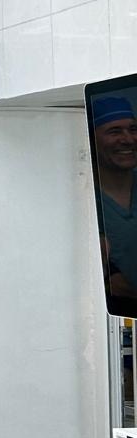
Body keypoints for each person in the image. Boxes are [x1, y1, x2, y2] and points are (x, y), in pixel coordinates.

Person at [92, 96, 137, 298]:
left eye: (133, 129)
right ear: (91, 139)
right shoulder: (83, 200)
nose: (128, 139)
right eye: (114, 131)